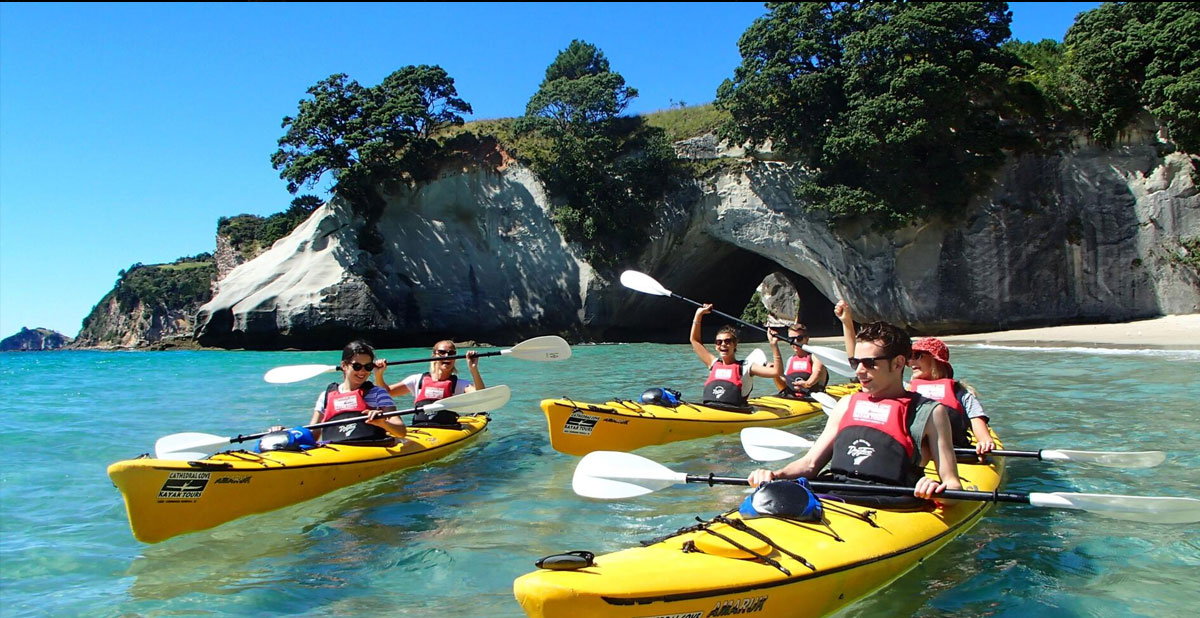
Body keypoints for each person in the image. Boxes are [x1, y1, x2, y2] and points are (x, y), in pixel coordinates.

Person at [747, 302, 962, 503]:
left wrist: (936, 488)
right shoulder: (846, 404)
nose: (859, 370)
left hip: (892, 505)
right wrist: (775, 475)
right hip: (833, 498)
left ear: (898, 363)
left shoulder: (929, 412)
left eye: (869, 363)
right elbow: (810, 464)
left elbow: (953, 485)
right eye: (855, 362)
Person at [908, 337, 995, 455]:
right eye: (909, 356)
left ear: (935, 360)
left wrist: (985, 442)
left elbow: (979, 426)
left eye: (917, 355)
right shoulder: (906, 390)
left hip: (955, 452)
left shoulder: (962, 394)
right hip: (915, 454)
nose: (910, 362)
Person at [309, 340, 406, 444]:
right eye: (357, 366)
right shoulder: (326, 396)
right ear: (344, 365)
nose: (362, 371)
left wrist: (383, 423)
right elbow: (313, 433)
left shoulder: (379, 393)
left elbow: (401, 431)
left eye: (368, 367)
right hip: (336, 449)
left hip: (371, 447)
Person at [690, 304, 782, 406]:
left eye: (727, 341)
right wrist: (699, 314)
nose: (723, 344)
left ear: (735, 344)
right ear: (716, 346)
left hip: (735, 410)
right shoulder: (713, 363)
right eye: (719, 342)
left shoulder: (746, 367)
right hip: (710, 408)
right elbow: (695, 341)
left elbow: (776, 372)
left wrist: (773, 345)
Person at [374, 339, 484, 404]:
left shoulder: (460, 385)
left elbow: (482, 397)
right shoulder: (417, 380)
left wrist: (473, 369)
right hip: (421, 428)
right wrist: (378, 374)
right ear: (434, 355)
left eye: (451, 353)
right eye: (442, 352)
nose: (447, 356)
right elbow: (387, 392)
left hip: (448, 428)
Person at [771, 323, 828, 397]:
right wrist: (775, 374)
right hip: (793, 398)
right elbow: (783, 386)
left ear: (807, 339)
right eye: (791, 339)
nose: (795, 342)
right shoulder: (790, 359)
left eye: (799, 338)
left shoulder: (816, 357)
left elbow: (817, 372)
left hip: (812, 398)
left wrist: (807, 384)